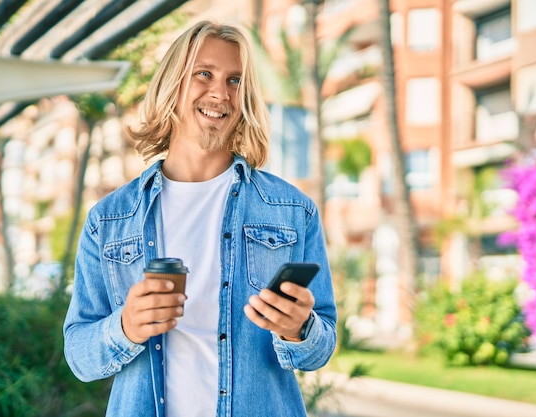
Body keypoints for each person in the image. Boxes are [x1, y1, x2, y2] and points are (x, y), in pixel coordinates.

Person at [63, 20, 337, 417]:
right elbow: (79, 355)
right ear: (173, 86)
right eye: (204, 74)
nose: (220, 93)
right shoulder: (108, 220)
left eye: (235, 81)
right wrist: (124, 327)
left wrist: (300, 330)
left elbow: (322, 345)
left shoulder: (292, 211)